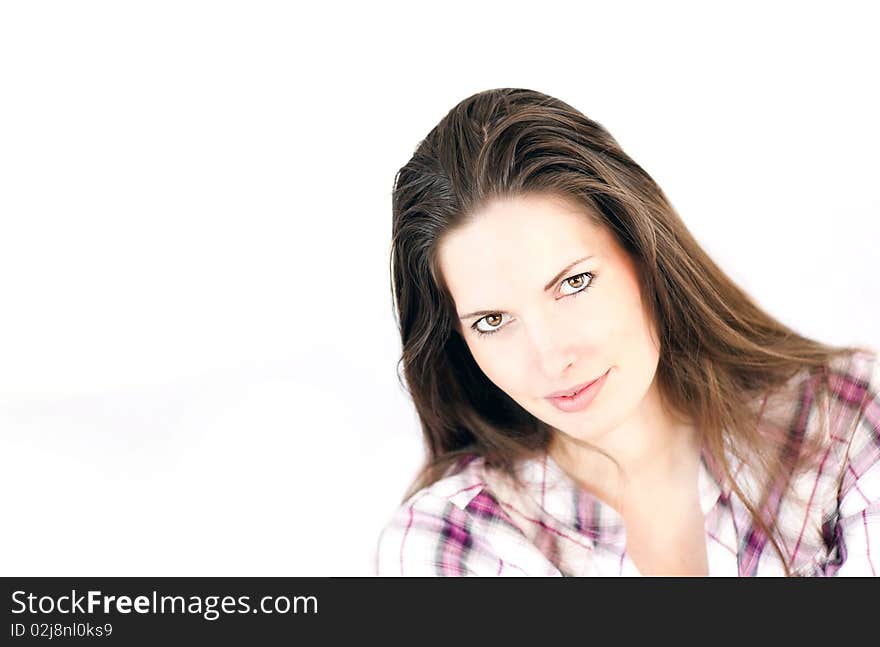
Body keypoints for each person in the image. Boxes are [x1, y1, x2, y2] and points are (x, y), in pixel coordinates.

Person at [374, 88, 879, 576]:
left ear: (642, 251)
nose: (552, 358)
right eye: (492, 321)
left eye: (574, 283)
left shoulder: (848, 418)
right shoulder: (458, 541)